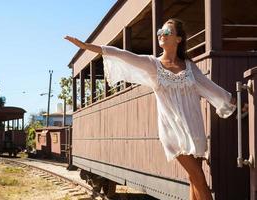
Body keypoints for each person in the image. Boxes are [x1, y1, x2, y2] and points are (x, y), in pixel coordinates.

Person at [65, 18, 237, 200]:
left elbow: (211, 88)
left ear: (178, 39)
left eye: (167, 32)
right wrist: (86, 46)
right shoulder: (153, 65)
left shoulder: (189, 68)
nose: (161, 35)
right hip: (173, 132)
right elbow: (122, 54)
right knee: (200, 180)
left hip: (194, 129)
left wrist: (234, 100)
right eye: (159, 33)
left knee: (194, 179)